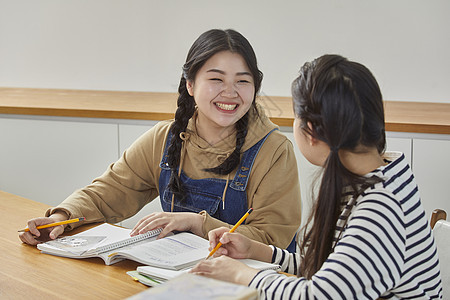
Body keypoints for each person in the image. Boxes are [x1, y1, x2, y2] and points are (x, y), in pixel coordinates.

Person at [19, 29, 301, 252]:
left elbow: (271, 239)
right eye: (216, 79)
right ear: (190, 84)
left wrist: (196, 223)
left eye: (242, 81)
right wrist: (61, 218)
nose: (230, 93)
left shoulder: (273, 150)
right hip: (181, 276)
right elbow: (109, 191)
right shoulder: (165, 138)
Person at [191, 54, 442, 299]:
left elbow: (322, 294)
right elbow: (335, 275)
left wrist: (243, 276)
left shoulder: (380, 204)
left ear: (310, 132)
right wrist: (259, 252)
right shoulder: (377, 176)